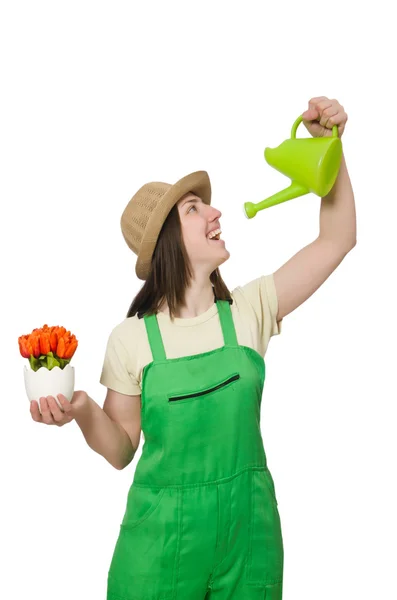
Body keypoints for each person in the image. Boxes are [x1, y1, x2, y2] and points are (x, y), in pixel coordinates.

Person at [30, 97, 355, 600]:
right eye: (193, 208)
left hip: (248, 541)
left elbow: (338, 239)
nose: (215, 211)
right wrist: (81, 410)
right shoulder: (132, 339)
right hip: (158, 550)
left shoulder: (251, 309)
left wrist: (327, 147)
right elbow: (120, 450)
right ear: (167, 242)